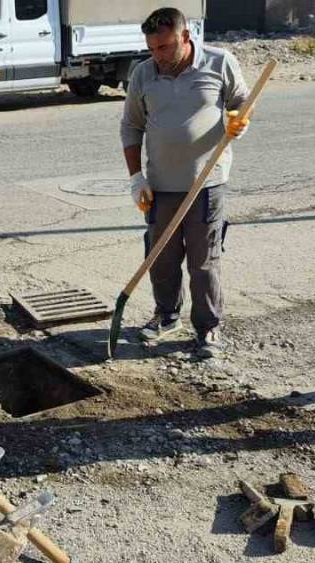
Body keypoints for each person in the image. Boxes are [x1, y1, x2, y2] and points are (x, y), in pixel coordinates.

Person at [120, 7, 249, 359]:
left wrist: (239, 119)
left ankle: (207, 328)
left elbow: (241, 102)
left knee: (203, 261)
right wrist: (136, 177)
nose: (157, 56)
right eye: (152, 48)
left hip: (207, 184)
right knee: (160, 257)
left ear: (186, 36)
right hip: (160, 187)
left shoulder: (220, 63)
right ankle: (166, 315)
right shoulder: (143, 74)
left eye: (165, 47)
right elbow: (131, 126)